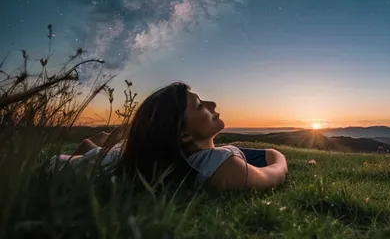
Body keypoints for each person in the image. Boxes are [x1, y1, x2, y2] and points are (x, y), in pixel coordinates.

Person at [52, 82, 288, 192]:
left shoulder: (173, 156)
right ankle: (95, 145)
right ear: (183, 133)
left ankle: (96, 144)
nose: (212, 104)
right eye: (199, 106)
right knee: (93, 153)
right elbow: (275, 173)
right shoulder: (224, 169)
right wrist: (279, 155)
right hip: (57, 165)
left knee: (100, 150)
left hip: (105, 158)